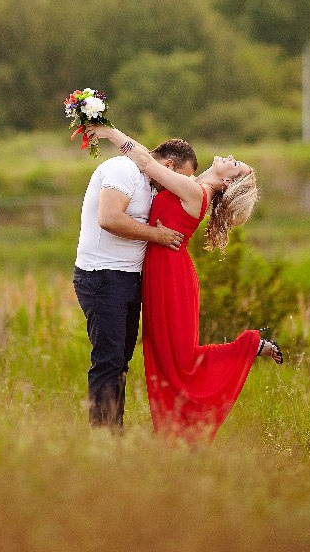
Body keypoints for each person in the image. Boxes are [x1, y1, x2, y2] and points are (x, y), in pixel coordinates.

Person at [88, 123, 283, 443]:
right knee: (165, 357)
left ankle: (250, 346)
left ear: (227, 181)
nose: (230, 157)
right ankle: (167, 436)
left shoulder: (195, 192)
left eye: (235, 164)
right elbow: (154, 166)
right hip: (162, 272)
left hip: (172, 278)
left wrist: (109, 132)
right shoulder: (192, 185)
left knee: (180, 360)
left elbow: (146, 161)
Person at [73, 137, 198, 430]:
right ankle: (104, 437)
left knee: (121, 361)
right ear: (168, 166)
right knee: (109, 360)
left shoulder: (148, 181)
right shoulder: (122, 169)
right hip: (103, 276)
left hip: (128, 279)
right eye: (179, 178)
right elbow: (109, 218)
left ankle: (113, 431)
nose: (174, 186)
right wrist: (158, 235)